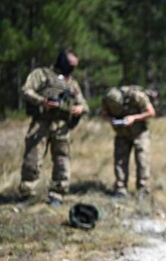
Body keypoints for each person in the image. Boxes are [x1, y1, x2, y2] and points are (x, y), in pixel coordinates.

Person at [19, 49, 89, 205]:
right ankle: (28, 194)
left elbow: (84, 104)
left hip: (61, 126)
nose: (72, 68)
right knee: (33, 159)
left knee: (62, 161)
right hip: (40, 123)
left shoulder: (72, 83)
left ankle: (57, 194)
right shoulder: (41, 74)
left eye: (75, 66)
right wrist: (42, 101)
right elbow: (26, 90)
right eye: (70, 64)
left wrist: (80, 109)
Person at [100, 86, 156, 198]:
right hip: (121, 134)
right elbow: (103, 115)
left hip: (140, 133)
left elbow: (151, 112)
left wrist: (134, 118)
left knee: (142, 160)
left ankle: (143, 189)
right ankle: (121, 188)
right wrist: (110, 119)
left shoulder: (136, 96)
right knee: (120, 161)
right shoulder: (107, 100)